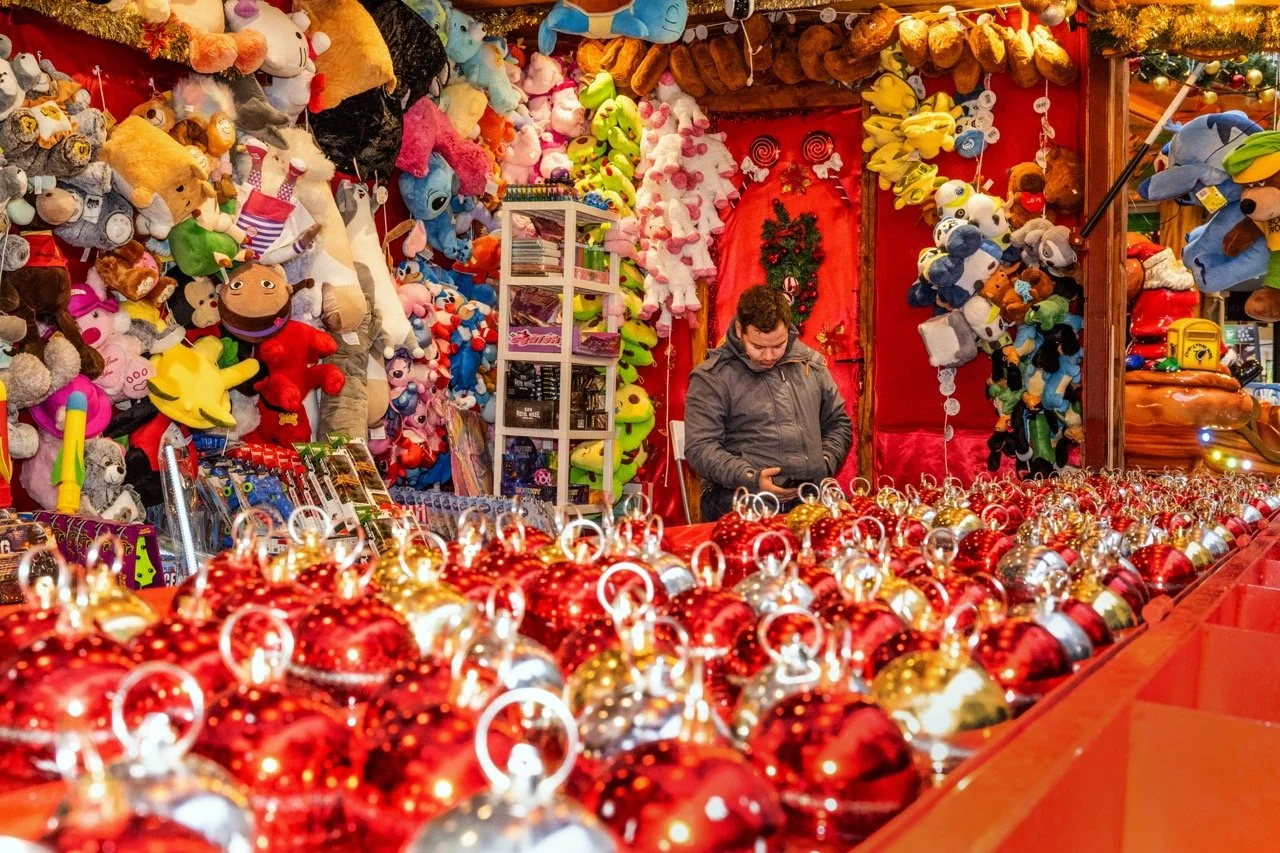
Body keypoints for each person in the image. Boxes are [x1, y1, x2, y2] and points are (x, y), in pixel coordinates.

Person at [684, 285, 852, 522]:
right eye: (759, 347)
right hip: (738, 494)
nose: (769, 355)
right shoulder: (712, 377)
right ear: (740, 330)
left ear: (788, 329)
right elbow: (700, 448)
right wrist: (750, 477)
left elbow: (838, 423)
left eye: (778, 345)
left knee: (849, 532)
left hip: (809, 491)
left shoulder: (809, 364)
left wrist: (824, 462)